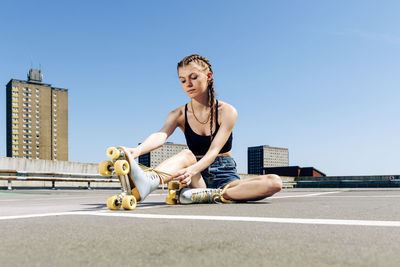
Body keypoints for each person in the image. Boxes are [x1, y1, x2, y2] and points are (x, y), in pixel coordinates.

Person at [126, 54, 282, 204]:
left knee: (274, 182)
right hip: (195, 176)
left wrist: (193, 170)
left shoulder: (227, 111)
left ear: (208, 76)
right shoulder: (178, 114)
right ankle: (147, 182)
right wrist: (138, 150)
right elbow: (161, 135)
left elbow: (214, 151)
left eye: (193, 77)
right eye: (182, 80)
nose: (188, 84)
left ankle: (214, 194)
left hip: (224, 176)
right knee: (186, 154)